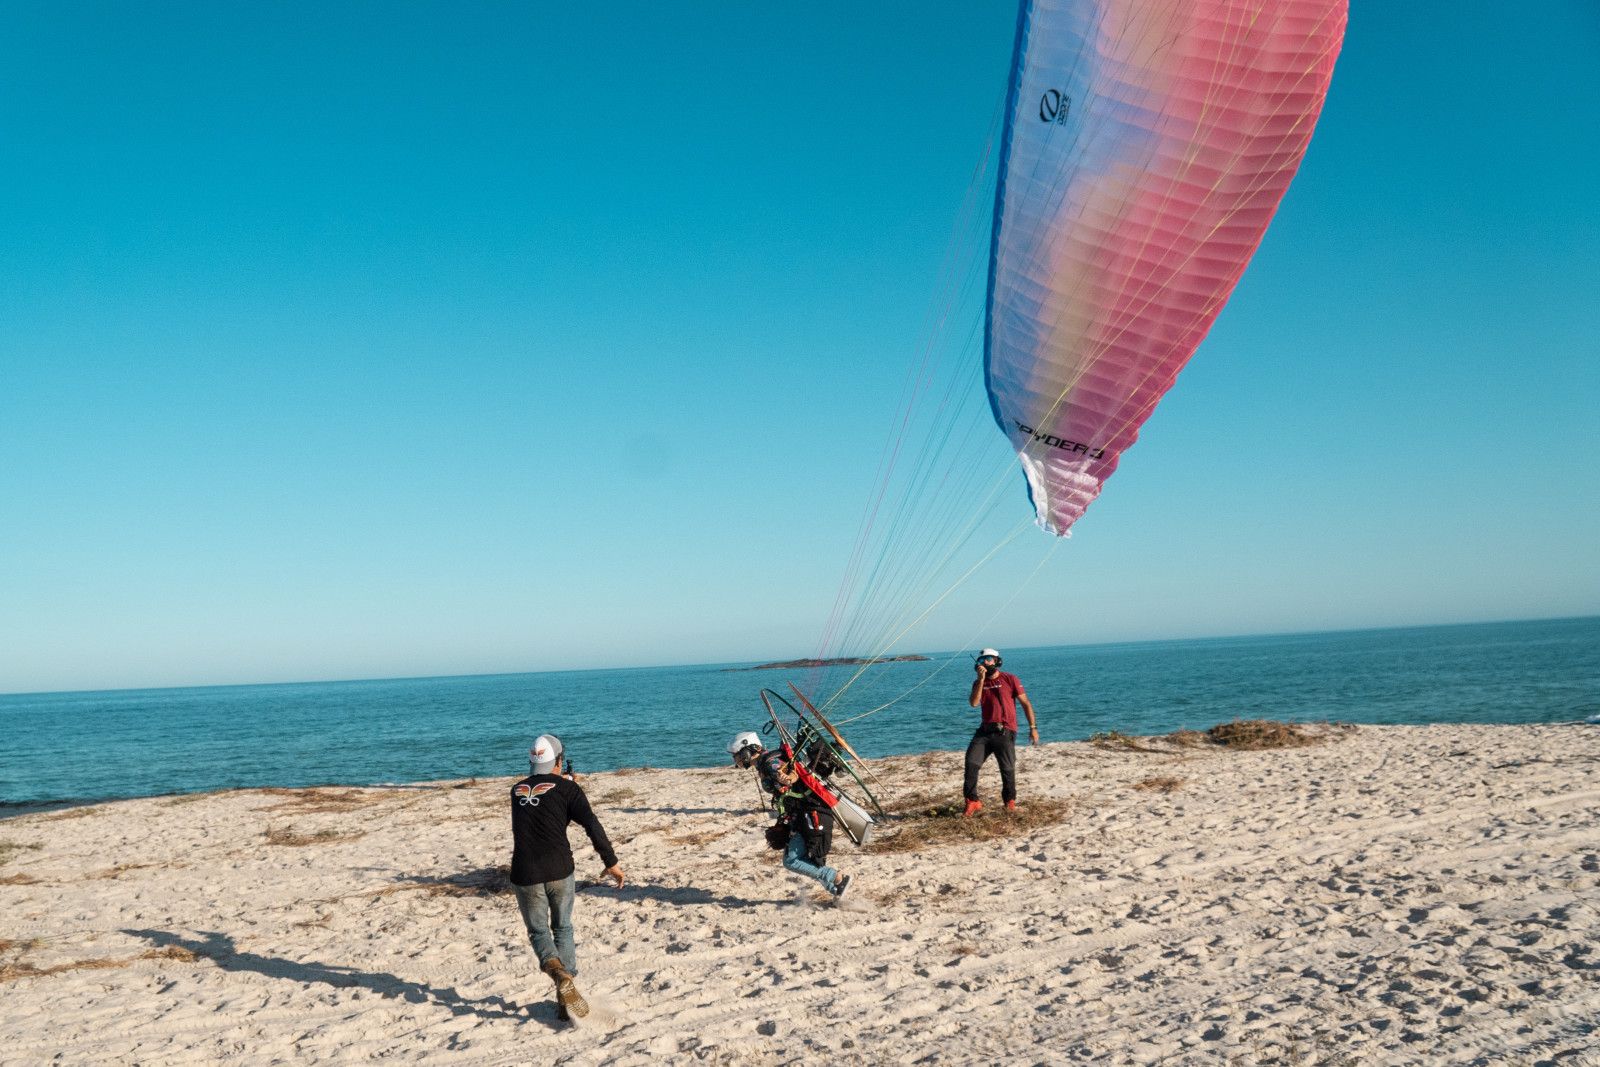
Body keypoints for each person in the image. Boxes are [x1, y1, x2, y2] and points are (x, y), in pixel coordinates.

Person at [509, 733, 625, 1021]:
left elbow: (541, 802)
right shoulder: (568, 789)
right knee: (563, 928)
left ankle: (558, 975)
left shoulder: (516, 791)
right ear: (559, 761)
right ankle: (566, 983)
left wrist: (565, 785)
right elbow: (591, 824)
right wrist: (610, 862)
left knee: (539, 933)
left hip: (525, 872)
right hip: (560, 869)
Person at [727, 731, 851, 900]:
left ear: (747, 751)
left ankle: (836, 878)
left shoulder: (770, 763)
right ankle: (837, 890)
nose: (736, 760)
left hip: (810, 812)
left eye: (736, 756)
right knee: (809, 859)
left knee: (792, 861)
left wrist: (787, 779)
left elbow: (792, 775)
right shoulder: (764, 763)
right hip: (800, 813)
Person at [964, 648, 1039, 816]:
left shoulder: (1010, 679)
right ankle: (972, 801)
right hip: (984, 731)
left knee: (1007, 768)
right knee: (971, 763)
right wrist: (981, 680)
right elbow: (974, 703)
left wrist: (1033, 728)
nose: (985, 662)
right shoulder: (978, 682)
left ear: (997, 661)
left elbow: (1026, 703)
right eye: (982, 659)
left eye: (989, 659)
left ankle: (1009, 802)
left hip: (1005, 730)